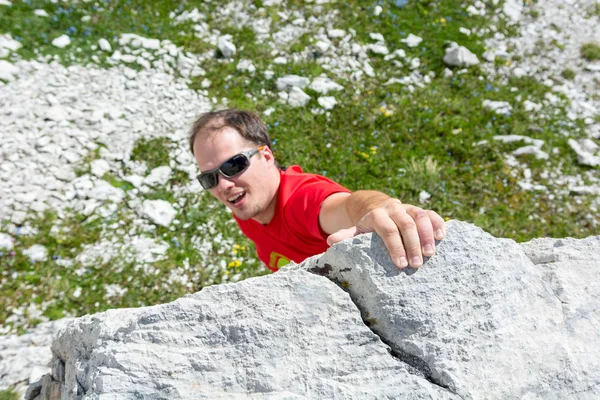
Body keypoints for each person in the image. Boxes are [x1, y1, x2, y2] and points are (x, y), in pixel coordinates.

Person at [189, 109, 446, 272]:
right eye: (209, 179)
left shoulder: (300, 200)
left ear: (266, 156)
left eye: (234, 165)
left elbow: (346, 205)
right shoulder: (247, 207)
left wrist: (380, 208)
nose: (223, 185)